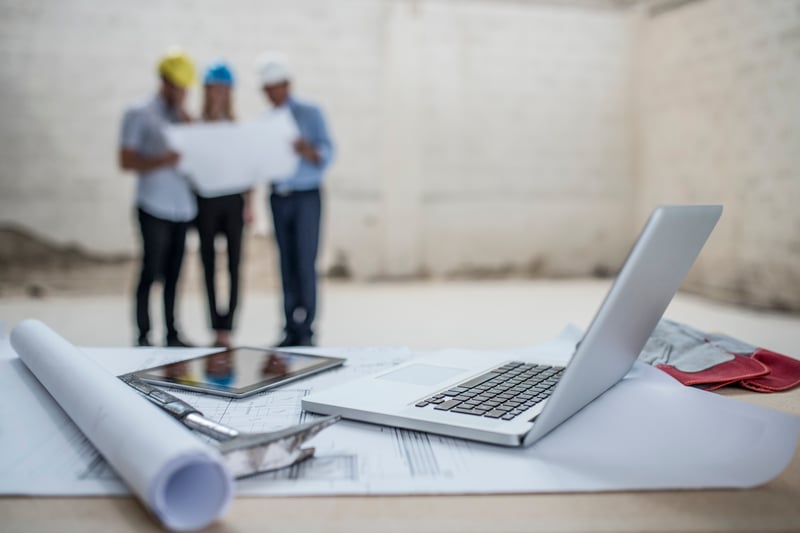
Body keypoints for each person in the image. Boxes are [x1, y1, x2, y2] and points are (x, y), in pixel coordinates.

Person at [119, 47, 196, 347]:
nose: (180, 93)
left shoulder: (183, 117)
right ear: (163, 81)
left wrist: (186, 119)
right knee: (151, 270)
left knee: (175, 274)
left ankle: (172, 333)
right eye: (176, 87)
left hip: (183, 207)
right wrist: (163, 160)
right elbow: (126, 160)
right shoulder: (139, 112)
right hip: (153, 204)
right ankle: (143, 334)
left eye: (184, 89)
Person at [256, 52, 334, 347]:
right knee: (286, 263)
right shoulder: (267, 121)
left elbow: (328, 152)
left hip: (306, 196)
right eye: (266, 89)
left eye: (274, 87)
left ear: (286, 84)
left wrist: (307, 149)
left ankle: (308, 329)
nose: (270, 94)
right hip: (278, 196)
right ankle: (289, 327)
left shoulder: (310, 113)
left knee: (305, 261)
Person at [195, 62, 253, 348]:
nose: (218, 94)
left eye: (223, 89)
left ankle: (227, 328)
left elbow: (248, 170)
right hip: (205, 202)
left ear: (229, 93)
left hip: (233, 202)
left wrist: (249, 205)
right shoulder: (196, 126)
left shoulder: (237, 128)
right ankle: (213, 325)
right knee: (207, 263)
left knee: (233, 265)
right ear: (207, 91)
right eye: (213, 89)